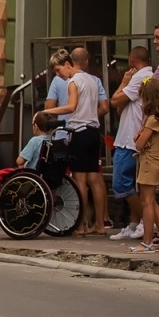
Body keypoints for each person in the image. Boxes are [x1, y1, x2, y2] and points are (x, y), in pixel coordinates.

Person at [47, 49, 109, 234]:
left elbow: (72, 106)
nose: (58, 75)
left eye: (58, 70)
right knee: (95, 180)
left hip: (80, 132)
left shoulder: (73, 82)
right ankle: (100, 224)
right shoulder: (91, 80)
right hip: (94, 132)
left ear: (68, 64)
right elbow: (102, 106)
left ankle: (80, 225)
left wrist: (49, 112)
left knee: (79, 180)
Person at [108, 46, 156, 241]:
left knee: (121, 183)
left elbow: (114, 101)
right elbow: (121, 108)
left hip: (129, 138)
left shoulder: (138, 78)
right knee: (132, 185)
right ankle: (134, 224)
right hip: (130, 134)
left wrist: (123, 82)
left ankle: (146, 221)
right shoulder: (149, 76)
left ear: (131, 59)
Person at [129, 77, 159, 254]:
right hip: (153, 158)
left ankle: (147, 241)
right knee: (152, 202)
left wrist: (140, 139)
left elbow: (139, 144)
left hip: (150, 160)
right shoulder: (158, 117)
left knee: (146, 202)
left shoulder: (153, 118)